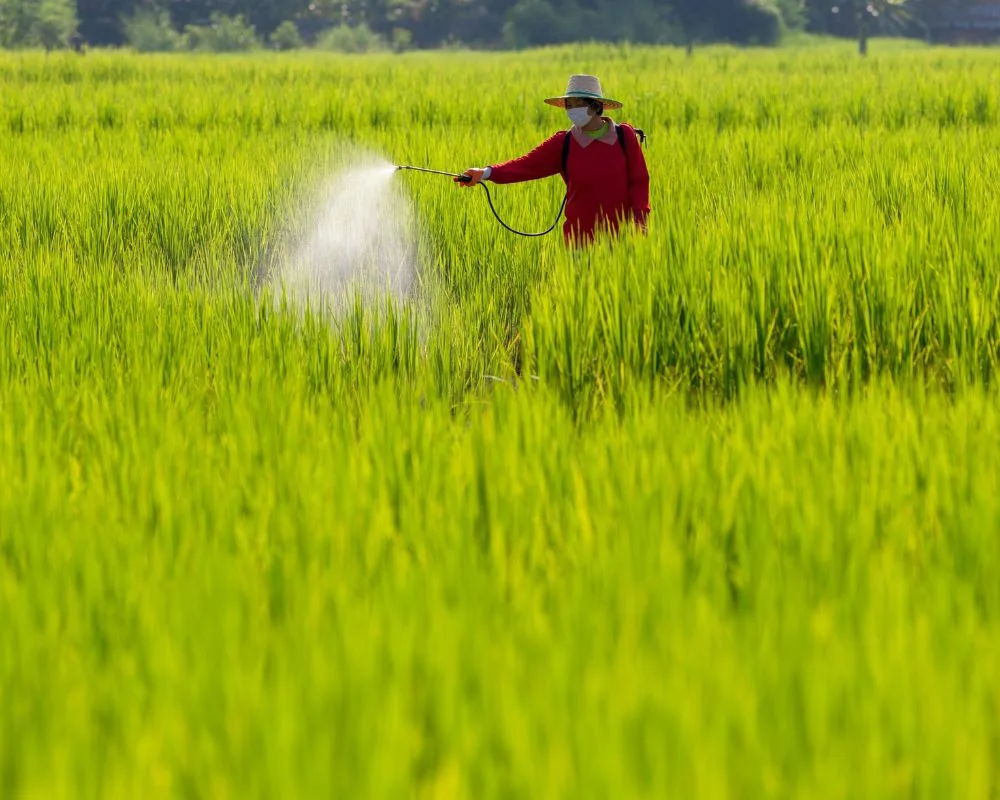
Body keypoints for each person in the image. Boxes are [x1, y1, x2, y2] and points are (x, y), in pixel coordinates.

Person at [456, 74, 650, 246]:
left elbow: (639, 182)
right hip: (579, 243)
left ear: (596, 106)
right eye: (569, 105)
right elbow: (526, 165)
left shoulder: (624, 137)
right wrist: (485, 173)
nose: (572, 110)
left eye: (578, 104)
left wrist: (639, 224)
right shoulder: (564, 143)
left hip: (623, 241)